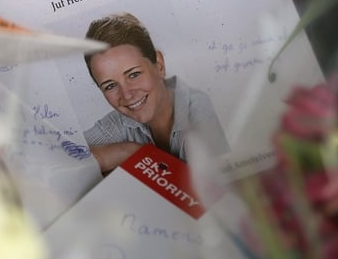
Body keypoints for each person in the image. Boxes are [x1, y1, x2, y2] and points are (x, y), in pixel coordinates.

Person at [83, 12, 230, 175]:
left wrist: (139, 156)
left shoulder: (200, 110)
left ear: (159, 65)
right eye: (110, 85)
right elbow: (60, 158)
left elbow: (211, 193)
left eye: (134, 74)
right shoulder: (121, 121)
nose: (127, 95)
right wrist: (127, 151)